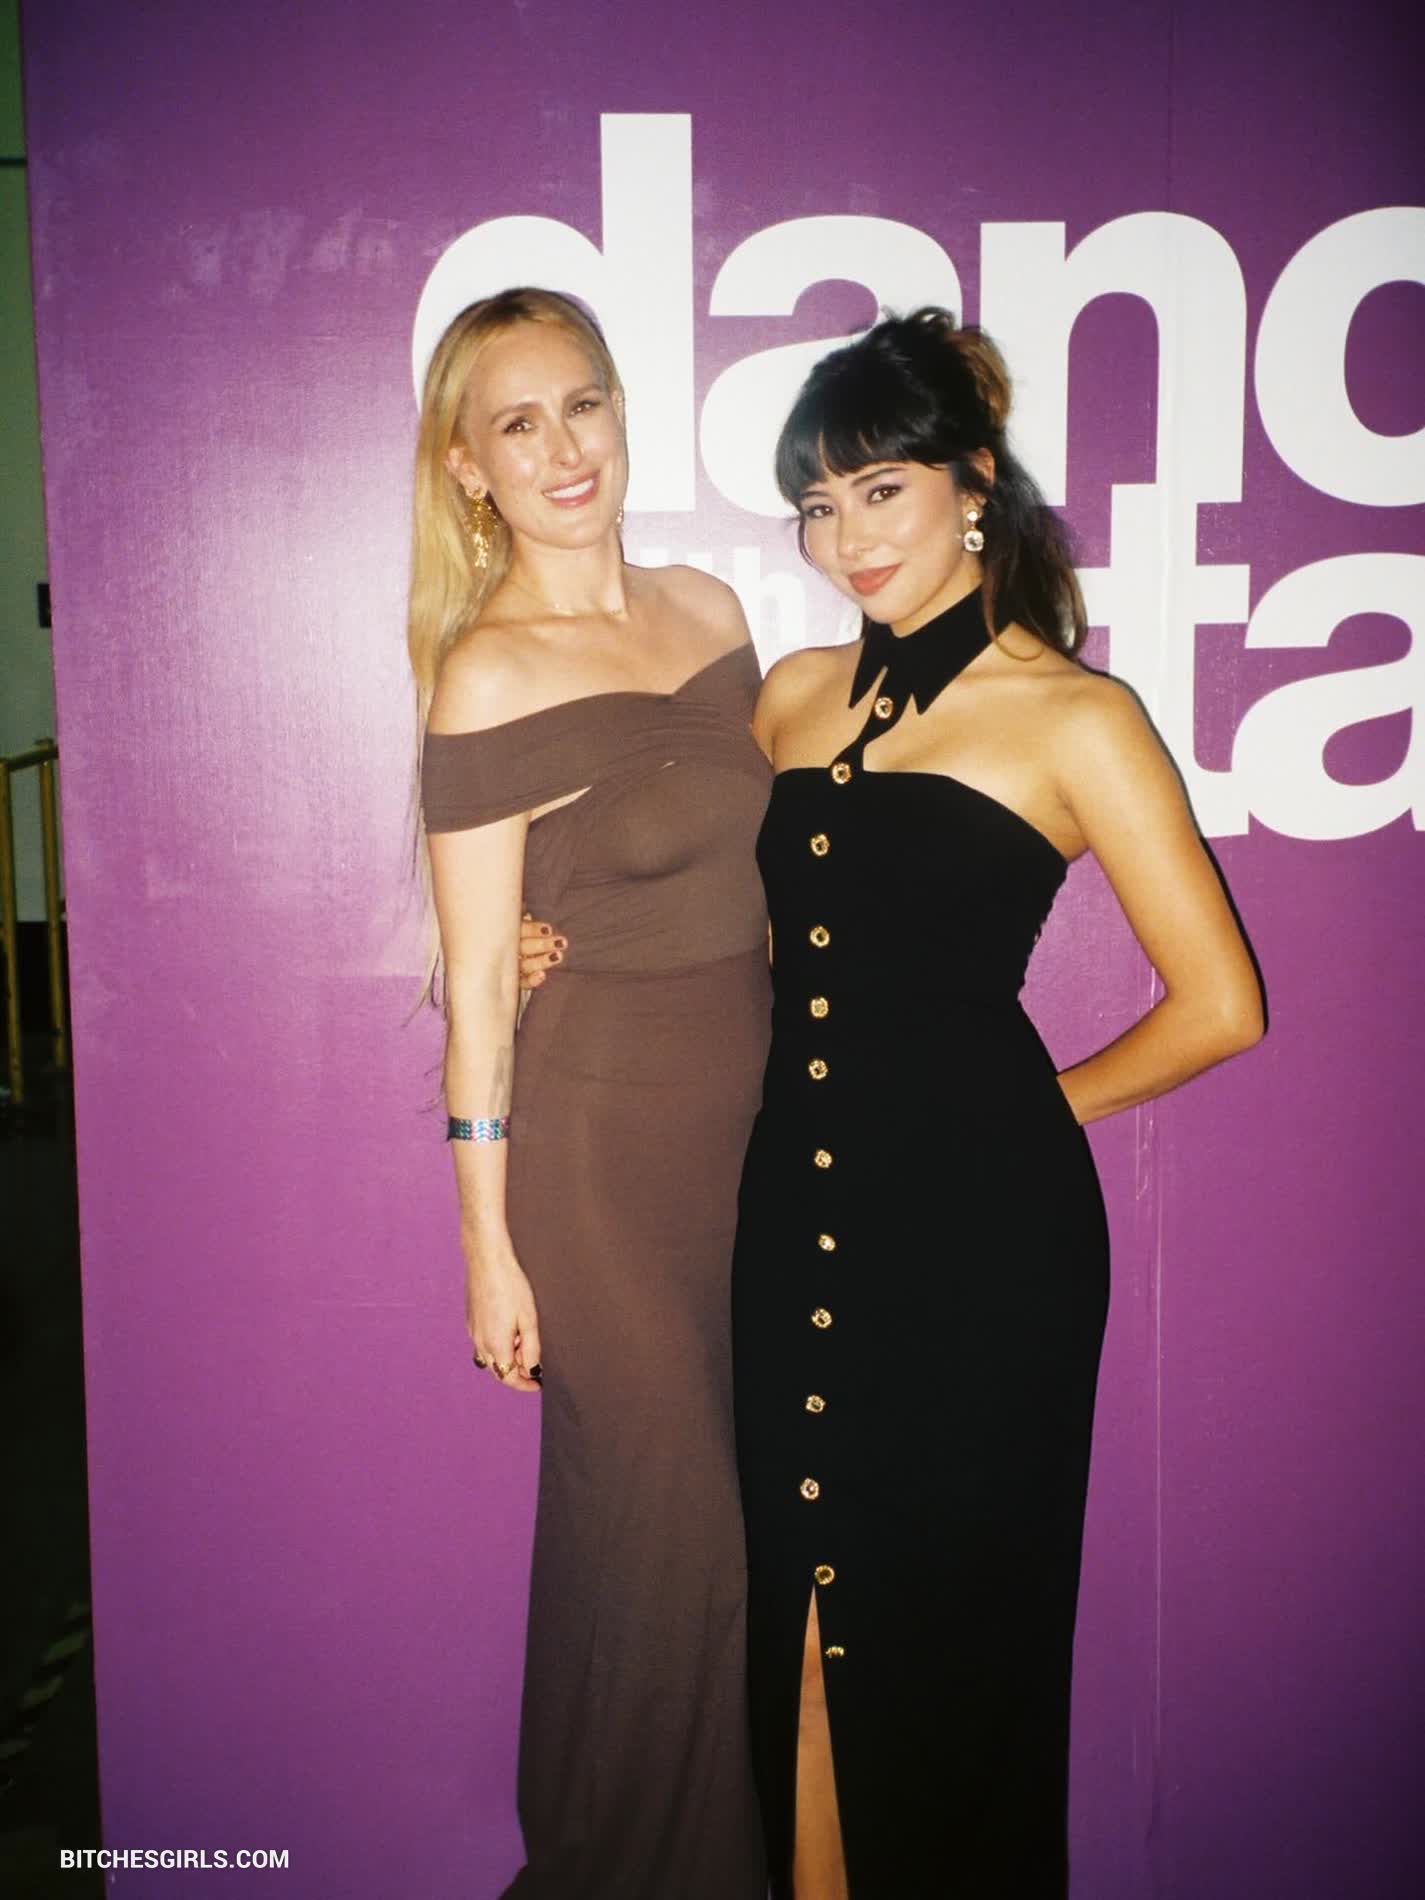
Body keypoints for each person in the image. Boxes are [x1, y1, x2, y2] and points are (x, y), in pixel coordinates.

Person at [523, 307, 1263, 1899]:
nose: (844, 537)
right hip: (781, 1212)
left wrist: (1017, 1124)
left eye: (878, 490)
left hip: (980, 1260)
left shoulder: (1073, 716)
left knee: (939, 1658)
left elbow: (1221, 1006)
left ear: (971, 484)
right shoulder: (787, 697)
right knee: (793, 1627)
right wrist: (551, 935)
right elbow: (679, 881)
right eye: (817, 503)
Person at [412, 287, 770, 1899]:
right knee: (687, 1539)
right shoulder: (486, 673)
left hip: (749, 1141)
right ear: (467, 466)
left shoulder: (709, 610)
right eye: (517, 422)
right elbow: (478, 985)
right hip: (597, 1161)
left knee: (660, 1548)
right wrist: (486, 1248)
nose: (563, 448)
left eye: (583, 404)